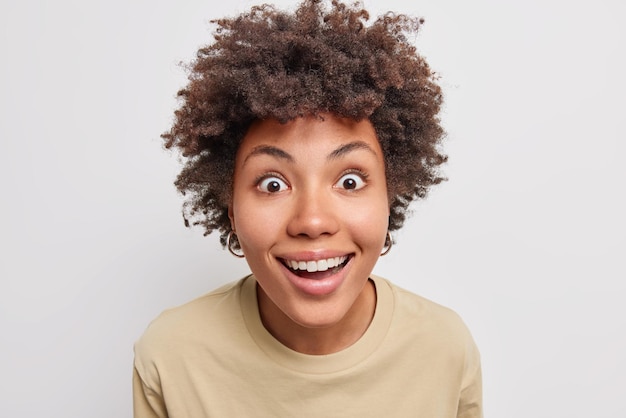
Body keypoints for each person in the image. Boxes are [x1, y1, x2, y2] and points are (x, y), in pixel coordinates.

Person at [133, 0, 482, 416]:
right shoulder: (171, 355)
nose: (312, 221)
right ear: (230, 207)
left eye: (349, 181)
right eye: (272, 183)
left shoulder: (444, 348)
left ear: (390, 196)